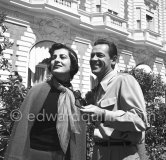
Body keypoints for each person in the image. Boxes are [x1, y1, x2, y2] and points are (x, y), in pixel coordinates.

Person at [4, 43, 86, 160]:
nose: (56, 60)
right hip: (35, 155)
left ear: (72, 65)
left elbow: (77, 137)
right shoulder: (37, 91)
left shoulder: (75, 97)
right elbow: (21, 130)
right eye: (54, 57)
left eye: (62, 57)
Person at [81, 39, 148, 160]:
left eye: (100, 55)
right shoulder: (97, 90)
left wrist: (103, 114)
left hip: (121, 153)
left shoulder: (124, 80)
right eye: (92, 55)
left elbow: (140, 121)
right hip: (99, 152)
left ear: (113, 60)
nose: (94, 59)